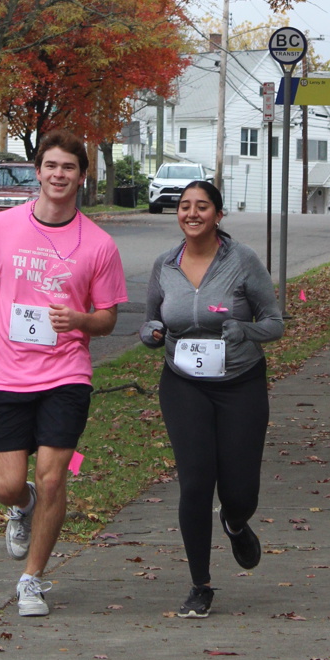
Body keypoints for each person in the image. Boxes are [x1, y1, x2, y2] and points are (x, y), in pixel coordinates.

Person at [0, 130, 127, 617]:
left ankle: (31, 580)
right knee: (6, 486)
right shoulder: (2, 227)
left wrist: (79, 320)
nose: (59, 174)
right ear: (38, 172)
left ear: (82, 177)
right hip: (4, 371)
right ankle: (22, 504)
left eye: (68, 167)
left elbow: (108, 318)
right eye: (51, 166)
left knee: (54, 479)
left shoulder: (99, 244)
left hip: (66, 373)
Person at [140, 180, 283, 618]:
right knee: (196, 481)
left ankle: (235, 522)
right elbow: (149, 321)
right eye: (185, 206)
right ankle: (199, 584)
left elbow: (275, 322)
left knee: (239, 490)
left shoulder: (242, 261)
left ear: (218, 215)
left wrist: (246, 330)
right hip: (184, 383)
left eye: (202, 206)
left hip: (240, 382)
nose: (192, 213)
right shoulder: (165, 265)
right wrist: (152, 333)